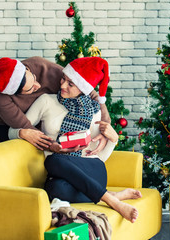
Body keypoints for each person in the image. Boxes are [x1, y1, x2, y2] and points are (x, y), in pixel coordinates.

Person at [8, 57, 141, 223]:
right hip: (60, 172)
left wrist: (113, 140)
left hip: (92, 169)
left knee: (54, 160)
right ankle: (111, 196)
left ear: (84, 88)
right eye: (63, 79)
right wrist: (23, 133)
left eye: (71, 84)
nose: (63, 85)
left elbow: (98, 157)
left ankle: (113, 202)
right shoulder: (47, 102)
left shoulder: (94, 110)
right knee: (54, 186)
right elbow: (12, 130)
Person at [0, 56, 110, 150]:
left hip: (41, 119)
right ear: (14, 92)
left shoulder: (42, 66)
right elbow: (23, 124)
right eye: (31, 88)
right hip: (13, 125)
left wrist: (105, 130)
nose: (38, 85)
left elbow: (89, 92)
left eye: (34, 78)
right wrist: (51, 145)